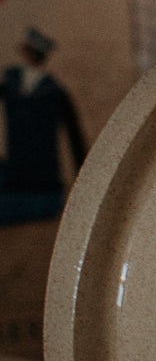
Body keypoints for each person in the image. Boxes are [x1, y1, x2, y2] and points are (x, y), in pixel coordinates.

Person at [0, 27, 85, 224]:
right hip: (20, 168)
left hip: (41, 173)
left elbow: (74, 137)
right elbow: (75, 138)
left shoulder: (53, 92)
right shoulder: (13, 83)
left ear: (27, 52)